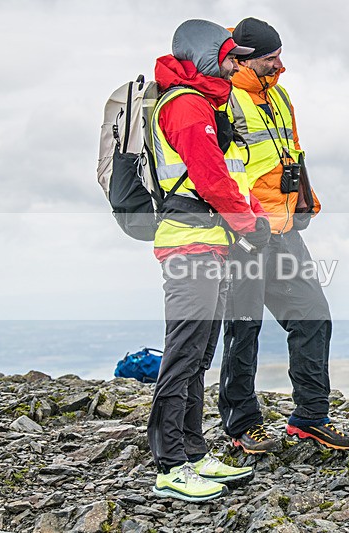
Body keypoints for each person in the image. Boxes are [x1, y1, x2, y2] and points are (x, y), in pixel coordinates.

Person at [145, 19, 273, 502]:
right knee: (184, 354)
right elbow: (211, 179)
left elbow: (227, 178)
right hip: (188, 247)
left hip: (209, 244)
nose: (233, 62)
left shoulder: (203, 103)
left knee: (199, 354)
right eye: (227, 54)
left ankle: (193, 452)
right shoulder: (185, 105)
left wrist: (250, 218)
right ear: (202, 55)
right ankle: (170, 463)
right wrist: (250, 224)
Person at [218, 17, 349, 453]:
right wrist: (243, 222)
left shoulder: (279, 96)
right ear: (244, 57)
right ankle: (242, 423)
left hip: (284, 230)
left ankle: (310, 417)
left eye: (278, 54)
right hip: (243, 235)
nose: (279, 62)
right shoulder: (225, 99)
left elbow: (291, 152)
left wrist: (305, 200)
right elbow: (220, 171)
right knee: (244, 329)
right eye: (270, 57)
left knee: (313, 315)